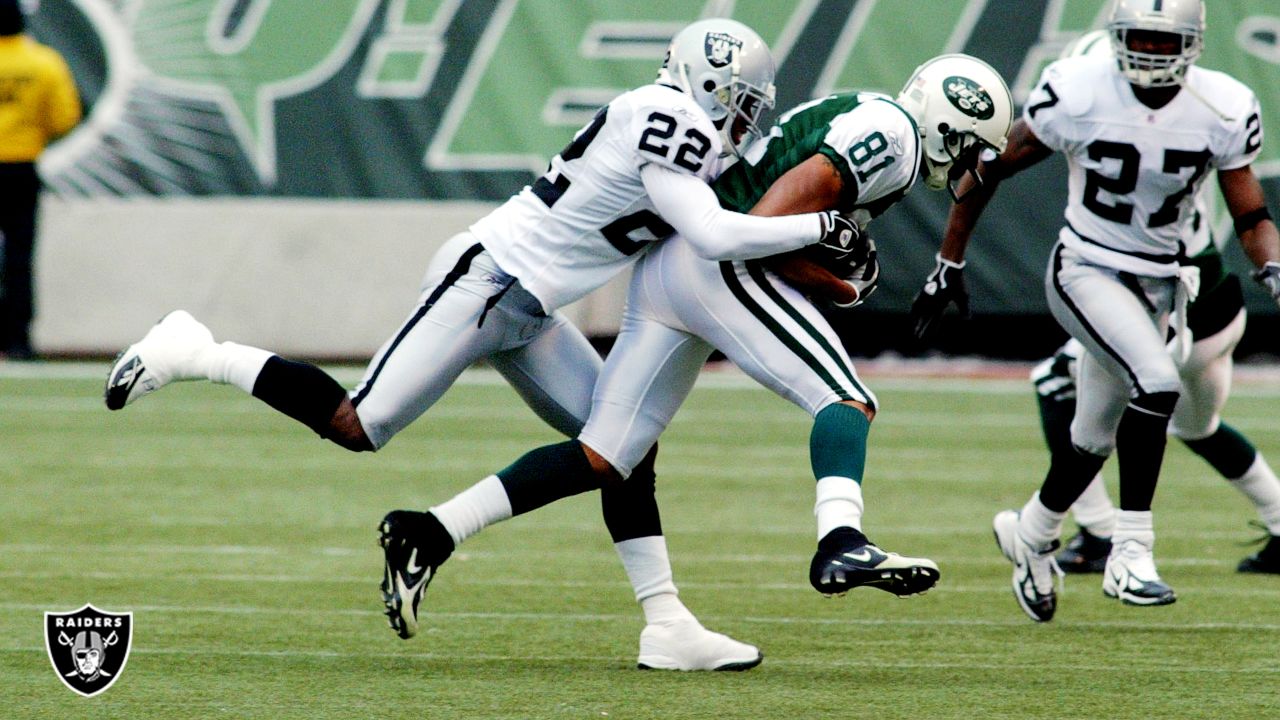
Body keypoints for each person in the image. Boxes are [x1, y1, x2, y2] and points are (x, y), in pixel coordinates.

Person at [104, 18, 862, 670]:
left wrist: (824, 266)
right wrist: (818, 228)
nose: (743, 122)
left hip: (527, 305)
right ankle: (196, 349)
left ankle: (666, 623)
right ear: (705, 84)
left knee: (623, 445)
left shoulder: (688, 131)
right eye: (739, 104)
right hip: (488, 281)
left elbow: (720, 226)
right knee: (359, 424)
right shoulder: (665, 117)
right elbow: (709, 231)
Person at [377, 54, 1014, 668]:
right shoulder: (894, 138)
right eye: (971, 145)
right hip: (718, 264)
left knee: (609, 454)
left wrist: (838, 275)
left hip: (671, 269)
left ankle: (437, 534)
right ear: (950, 126)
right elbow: (767, 222)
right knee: (845, 398)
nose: (970, 164)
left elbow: (785, 220)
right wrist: (836, 271)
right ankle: (841, 541)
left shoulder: (872, 114)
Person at [911, 0, 1280, 622]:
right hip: (1087, 268)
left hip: (1168, 283)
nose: (1152, 54)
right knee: (1156, 383)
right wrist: (949, 260)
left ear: (1193, 43)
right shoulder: (1077, 92)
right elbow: (989, 171)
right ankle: (1130, 550)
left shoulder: (1223, 106)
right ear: (1115, 38)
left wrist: (1272, 267)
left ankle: (1030, 534)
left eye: (1166, 43)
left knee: (1089, 437)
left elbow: (1250, 214)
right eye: (1140, 39)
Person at [1025, 31, 1280, 577]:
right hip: (1218, 305)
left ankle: (1096, 532)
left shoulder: (1120, 116)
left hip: (1172, 309)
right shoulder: (1196, 124)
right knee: (1195, 426)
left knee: (1060, 382)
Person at [0, 0, 81, 359]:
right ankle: (18, 339)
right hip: (20, 166)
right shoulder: (44, 62)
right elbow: (64, 118)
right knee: (20, 257)